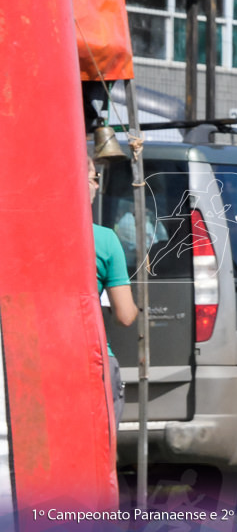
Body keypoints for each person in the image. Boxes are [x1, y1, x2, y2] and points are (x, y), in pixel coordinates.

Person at [90, 158, 138, 426]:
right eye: (95, 177)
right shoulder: (106, 240)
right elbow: (125, 315)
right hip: (94, 358)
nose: (98, 184)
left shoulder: (32, 236)